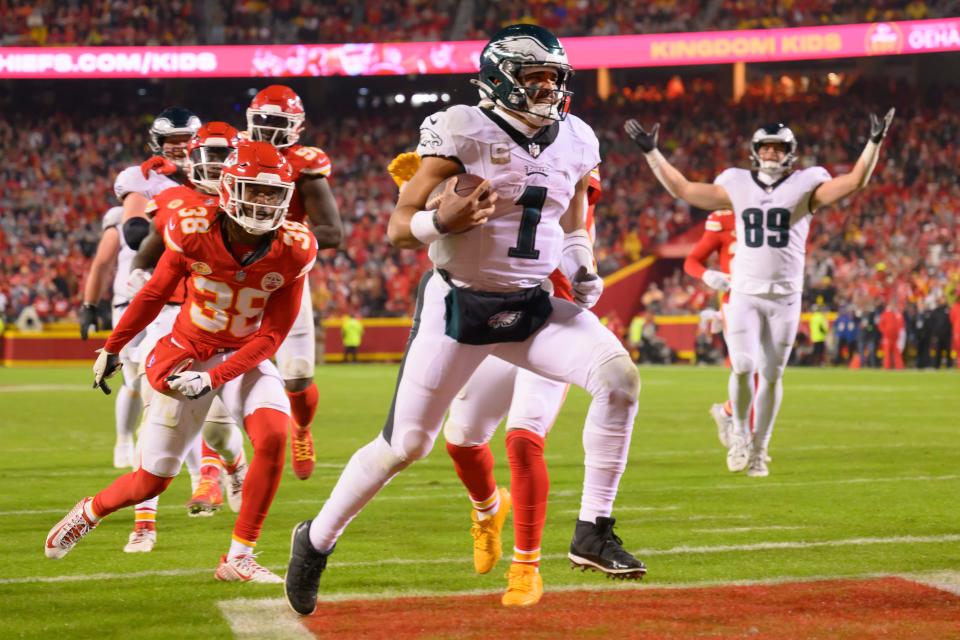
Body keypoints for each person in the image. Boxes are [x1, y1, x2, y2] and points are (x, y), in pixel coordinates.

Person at [286, 24, 643, 616]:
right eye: (535, 77)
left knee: (619, 380)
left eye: (555, 77)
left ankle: (592, 530)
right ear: (502, 77)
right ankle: (316, 539)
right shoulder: (463, 127)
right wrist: (440, 224)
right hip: (460, 306)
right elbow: (399, 227)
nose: (549, 89)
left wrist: (583, 268)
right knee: (407, 445)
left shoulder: (577, 138)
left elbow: (574, 223)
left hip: (530, 305)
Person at [45, 141, 319, 584]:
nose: (264, 202)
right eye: (255, 190)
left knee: (272, 436)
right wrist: (112, 348)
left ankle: (239, 556)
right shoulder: (193, 228)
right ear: (230, 188)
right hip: (186, 347)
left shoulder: (295, 246)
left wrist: (215, 376)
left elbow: (272, 335)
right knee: (152, 480)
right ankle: (90, 511)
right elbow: (154, 293)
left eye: (273, 194)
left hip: (244, 353)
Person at [625, 106, 894, 477]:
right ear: (754, 151)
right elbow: (684, 189)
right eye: (765, 147)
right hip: (745, 294)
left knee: (771, 375)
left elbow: (854, 182)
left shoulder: (806, 185)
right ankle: (739, 433)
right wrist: (652, 153)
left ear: (790, 153)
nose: (771, 153)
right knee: (744, 366)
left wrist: (873, 143)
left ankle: (760, 448)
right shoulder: (736, 184)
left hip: (784, 295)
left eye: (778, 148)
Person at [121, 122, 250, 552]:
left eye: (219, 158)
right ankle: (144, 522)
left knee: (215, 429)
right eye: (204, 157)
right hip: (169, 319)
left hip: (218, 318)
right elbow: (145, 249)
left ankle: (232, 465)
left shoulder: (250, 197)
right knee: (153, 412)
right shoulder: (172, 196)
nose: (210, 166)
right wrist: (142, 283)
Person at [246, 84, 343, 481]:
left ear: (295, 128)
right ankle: (216, 468)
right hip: (233, 276)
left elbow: (331, 232)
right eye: (263, 121)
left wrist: (277, 238)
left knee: (298, 374)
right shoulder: (234, 157)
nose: (268, 130)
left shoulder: (304, 166)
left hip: (284, 278)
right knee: (214, 366)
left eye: (277, 123)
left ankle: (301, 428)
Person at [78, 205, 149, 469]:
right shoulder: (123, 215)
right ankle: (125, 438)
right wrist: (89, 305)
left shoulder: (177, 204)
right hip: (129, 303)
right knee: (133, 379)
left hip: (170, 303)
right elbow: (103, 262)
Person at [683, 209, 737, 446]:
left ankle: (727, 412)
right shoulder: (725, 220)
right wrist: (707, 275)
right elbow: (692, 260)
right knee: (748, 369)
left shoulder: (775, 212)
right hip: (737, 302)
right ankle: (748, 440)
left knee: (768, 374)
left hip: (774, 302)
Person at [877, 303, 905, 370]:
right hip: (887, 337)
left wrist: (897, 334)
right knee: (887, 354)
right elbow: (880, 326)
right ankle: (887, 367)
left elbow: (900, 325)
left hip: (895, 338)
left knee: (896, 353)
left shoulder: (895, 314)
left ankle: (899, 367)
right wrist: (885, 332)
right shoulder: (884, 314)